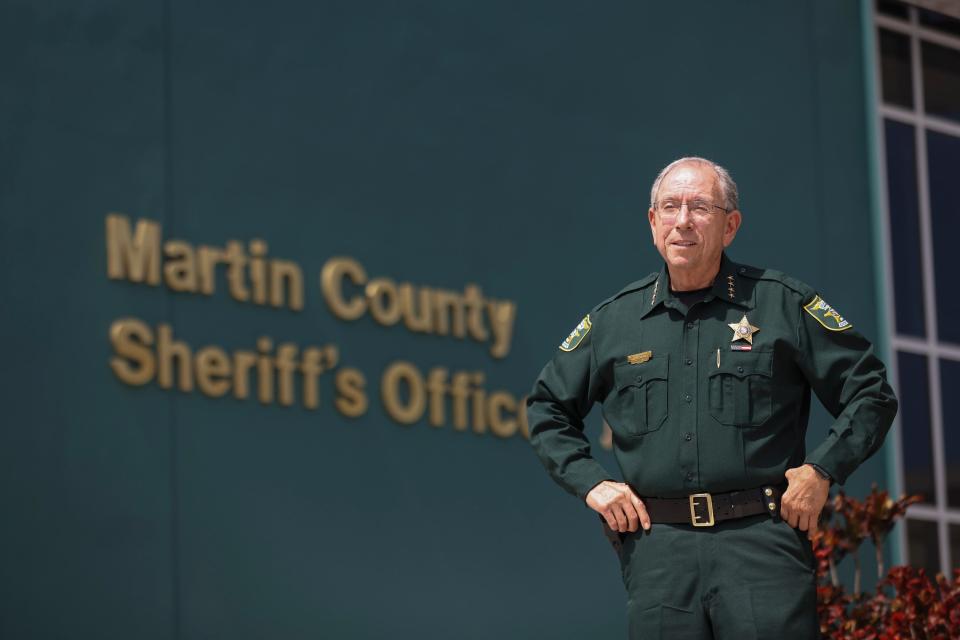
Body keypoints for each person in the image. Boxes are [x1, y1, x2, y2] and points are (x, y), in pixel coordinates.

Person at [526, 157, 898, 639]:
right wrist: (593, 484)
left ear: (730, 225)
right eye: (671, 206)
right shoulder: (613, 322)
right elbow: (546, 407)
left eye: (700, 207)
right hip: (659, 553)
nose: (683, 220)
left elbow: (871, 391)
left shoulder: (782, 304)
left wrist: (822, 470)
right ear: (652, 221)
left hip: (760, 547)